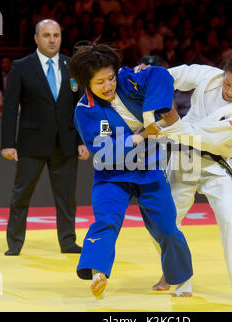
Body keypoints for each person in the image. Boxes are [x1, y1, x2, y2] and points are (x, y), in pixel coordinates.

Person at [68, 42, 193, 299]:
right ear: (87, 84)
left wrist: (151, 113)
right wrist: (142, 135)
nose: (108, 86)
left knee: (167, 228)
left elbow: (160, 74)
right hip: (111, 176)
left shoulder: (127, 79)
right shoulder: (85, 111)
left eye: (110, 78)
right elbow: (104, 154)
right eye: (99, 82)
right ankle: (98, 272)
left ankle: (179, 278)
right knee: (106, 221)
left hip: (149, 170)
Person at [152, 47, 232, 304]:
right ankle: (176, 276)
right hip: (184, 159)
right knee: (166, 222)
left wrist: (170, 123)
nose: (229, 91)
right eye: (228, 83)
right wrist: (150, 75)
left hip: (217, 163)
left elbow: (205, 138)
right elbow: (172, 76)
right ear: (224, 74)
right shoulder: (210, 76)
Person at [0, 19, 89, 256]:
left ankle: (68, 241)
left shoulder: (71, 66)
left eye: (56, 35)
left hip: (66, 142)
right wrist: (8, 143)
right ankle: (15, 243)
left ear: (61, 37)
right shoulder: (21, 66)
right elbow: (9, 108)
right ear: (36, 39)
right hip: (31, 143)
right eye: (47, 35)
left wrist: (82, 141)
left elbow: (80, 106)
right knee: (21, 195)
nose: (52, 40)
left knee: (67, 197)